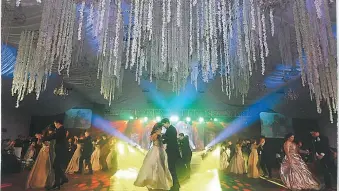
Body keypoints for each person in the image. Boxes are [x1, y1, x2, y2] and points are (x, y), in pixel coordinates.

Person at [134, 123, 173, 190]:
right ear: (157, 129)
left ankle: (157, 182)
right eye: (160, 128)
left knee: (160, 167)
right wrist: (158, 135)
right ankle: (153, 182)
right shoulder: (156, 135)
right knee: (155, 166)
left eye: (161, 128)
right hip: (156, 151)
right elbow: (154, 140)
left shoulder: (159, 135)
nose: (161, 130)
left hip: (160, 150)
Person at [39, 120, 68, 190]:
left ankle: (58, 183)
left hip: (61, 151)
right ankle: (61, 180)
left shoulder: (60, 130)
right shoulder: (61, 130)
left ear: (58, 123)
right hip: (60, 151)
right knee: (56, 166)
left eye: (55, 124)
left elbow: (54, 136)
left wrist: (43, 138)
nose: (55, 125)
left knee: (56, 166)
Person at [161, 118, 181, 191]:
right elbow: (167, 138)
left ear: (167, 122)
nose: (164, 127)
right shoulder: (171, 129)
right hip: (172, 151)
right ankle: (176, 185)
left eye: (164, 125)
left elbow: (167, 139)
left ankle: (175, 186)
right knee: (172, 169)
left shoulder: (170, 129)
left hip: (172, 152)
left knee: (172, 169)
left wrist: (160, 137)